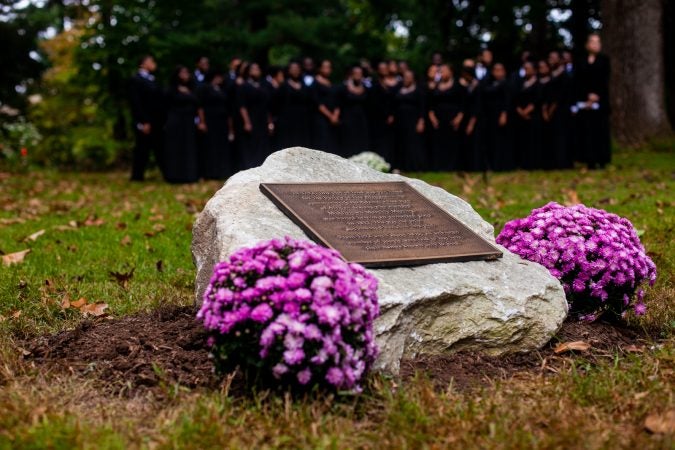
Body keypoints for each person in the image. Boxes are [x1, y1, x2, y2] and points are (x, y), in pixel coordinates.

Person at [574, 33, 611, 168]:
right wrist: (586, 96)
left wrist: (596, 95)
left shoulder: (604, 60)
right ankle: (589, 160)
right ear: (587, 44)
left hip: (600, 100)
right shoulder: (580, 61)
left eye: (597, 42)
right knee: (587, 131)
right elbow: (578, 81)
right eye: (593, 42)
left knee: (600, 130)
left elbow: (604, 79)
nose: (595, 45)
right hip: (585, 101)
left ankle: (602, 160)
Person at [163, 65, 203, 183]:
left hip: (189, 123)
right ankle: (174, 176)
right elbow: (165, 106)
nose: (185, 75)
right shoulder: (170, 89)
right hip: (175, 122)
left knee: (189, 148)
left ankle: (190, 175)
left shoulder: (193, 88)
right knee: (176, 148)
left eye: (187, 72)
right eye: (182, 73)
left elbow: (198, 105)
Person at [129, 54, 164, 181]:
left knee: (159, 148)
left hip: (156, 121)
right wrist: (143, 121)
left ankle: (166, 174)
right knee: (142, 149)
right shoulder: (136, 79)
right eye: (151, 61)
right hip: (144, 121)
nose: (154, 63)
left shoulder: (152, 79)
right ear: (143, 64)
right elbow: (136, 102)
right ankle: (137, 176)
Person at [197, 70, 234, 179]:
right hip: (210, 120)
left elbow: (228, 108)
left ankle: (221, 171)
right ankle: (210, 172)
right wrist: (202, 121)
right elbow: (200, 106)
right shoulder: (205, 88)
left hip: (221, 122)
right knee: (210, 147)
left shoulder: (222, 90)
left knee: (221, 147)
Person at [428, 63, 465, 171]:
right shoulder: (435, 86)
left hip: (453, 118)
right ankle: (440, 166)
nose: (441, 73)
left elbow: (463, 104)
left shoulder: (458, 85)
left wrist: (459, 117)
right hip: (439, 119)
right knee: (439, 143)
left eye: (444, 70)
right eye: (440, 71)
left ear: (450, 72)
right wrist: (432, 117)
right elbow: (430, 104)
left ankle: (453, 166)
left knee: (452, 143)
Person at [477, 62, 513, 171]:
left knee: (501, 142)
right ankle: (492, 165)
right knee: (491, 142)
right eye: (495, 70)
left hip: (501, 115)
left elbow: (508, 101)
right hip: (490, 117)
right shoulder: (489, 83)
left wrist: (504, 114)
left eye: (500, 70)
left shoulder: (506, 83)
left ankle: (502, 166)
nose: (498, 72)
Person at [236, 62, 272, 168]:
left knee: (263, 144)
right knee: (251, 144)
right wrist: (246, 122)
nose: (256, 71)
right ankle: (250, 167)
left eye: (257, 69)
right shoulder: (243, 86)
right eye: (253, 69)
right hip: (251, 118)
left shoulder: (264, 85)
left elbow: (268, 105)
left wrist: (270, 122)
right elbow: (242, 106)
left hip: (262, 118)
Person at [273, 61, 312, 150]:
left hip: (303, 120)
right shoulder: (283, 86)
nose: (295, 71)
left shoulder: (304, 86)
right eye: (293, 69)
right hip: (287, 121)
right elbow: (276, 104)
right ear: (288, 71)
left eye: (297, 69)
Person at [393, 69, 426, 171]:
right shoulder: (399, 89)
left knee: (413, 143)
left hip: (413, 120)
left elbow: (423, 107)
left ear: (413, 78)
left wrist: (421, 122)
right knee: (401, 143)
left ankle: (414, 166)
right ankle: (401, 166)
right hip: (400, 121)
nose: (406, 79)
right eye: (405, 77)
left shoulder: (418, 91)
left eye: (408, 77)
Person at [544, 51, 573, 169]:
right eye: (550, 57)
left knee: (562, 136)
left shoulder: (565, 75)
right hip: (551, 111)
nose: (551, 59)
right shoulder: (550, 74)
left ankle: (563, 162)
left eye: (554, 58)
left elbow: (561, 94)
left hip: (561, 110)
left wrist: (551, 109)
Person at [513, 61, 541, 170]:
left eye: (528, 68)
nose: (526, 71)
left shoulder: (538, 83)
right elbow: (516, 98)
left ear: (534, 70)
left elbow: (538, 99)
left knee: (533, 140)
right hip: (521, 117)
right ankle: (523, 163)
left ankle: (534, 164)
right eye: (524, 68)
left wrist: (527, 111)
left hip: (533, 116)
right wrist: (521, 111)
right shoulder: (521, 83)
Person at [369, 61, 399, 162]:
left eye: (385, 68)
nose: (384, 70)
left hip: (393, 117)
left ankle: (392, 162)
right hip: (378, 118)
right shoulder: (374, 83)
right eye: (381, 69)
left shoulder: (394, 84)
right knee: (380, 142)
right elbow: (373, 102)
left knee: (391, 141)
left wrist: (392, 115)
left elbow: (396, 101)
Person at [338, 65, 370, 157]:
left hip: (361, 118)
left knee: (361, 139)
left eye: (360, 73)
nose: (358, 75)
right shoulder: (343, 88)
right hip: (348, 118)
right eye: (356, 73)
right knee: (349, 140)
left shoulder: (366, 88)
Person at [311, 59, 340, 154]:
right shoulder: (314, 83)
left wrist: (335, 114)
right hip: (321, 118)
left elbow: (337, 101)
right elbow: (317, 103)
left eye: (329, 67)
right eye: (325, 67)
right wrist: (330, 116)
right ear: (319, 68)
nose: (328, 69)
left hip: (333, 120)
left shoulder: (332, 83)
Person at [459, 59, 482, 171]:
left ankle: (475, 166)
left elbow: (477, 106)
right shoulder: (465, 86)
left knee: (475, 143)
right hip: (466, 117)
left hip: (475, 119)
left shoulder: (478, 86)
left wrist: (471, 124)